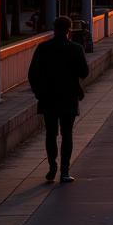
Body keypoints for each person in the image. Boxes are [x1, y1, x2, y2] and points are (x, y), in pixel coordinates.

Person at [28, 16, 88, 183]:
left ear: (54, 29)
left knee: (50, 133)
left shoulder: (43, 48)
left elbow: (32, 74)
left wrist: (38, 92)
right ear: (69, 30)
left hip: (48, 97)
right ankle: (64, 171)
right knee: (67, 133)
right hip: (68, 96)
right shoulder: (75, 49)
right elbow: (84, 72)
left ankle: (51, 165)